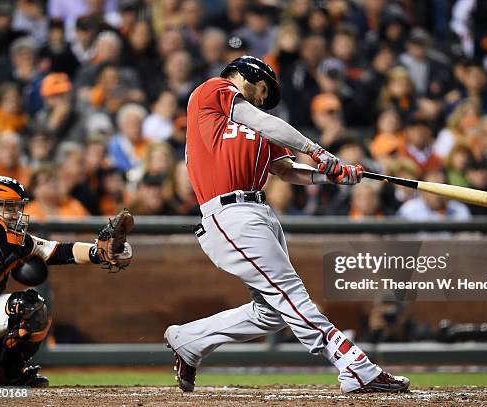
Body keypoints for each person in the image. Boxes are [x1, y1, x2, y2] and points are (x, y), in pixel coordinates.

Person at [164, 55, 409, 394]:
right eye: (263, 90)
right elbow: (260, 120)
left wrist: (333, 176)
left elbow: (287, 170)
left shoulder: (259, 127)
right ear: (248, 74)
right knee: (290, 293)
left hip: (260, 213)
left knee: (272, 311)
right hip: (230, 213)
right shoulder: (212, 92)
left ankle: (188, 340)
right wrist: (318, 150)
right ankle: (354, 365)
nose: (263, 100)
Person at [0, 174, 132, 386]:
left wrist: (99, 252)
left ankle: (7, 374)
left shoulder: (17, 243)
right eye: (8, 207)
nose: (16, 215)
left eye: (17, 208)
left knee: (32, 308)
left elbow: (59, 250)